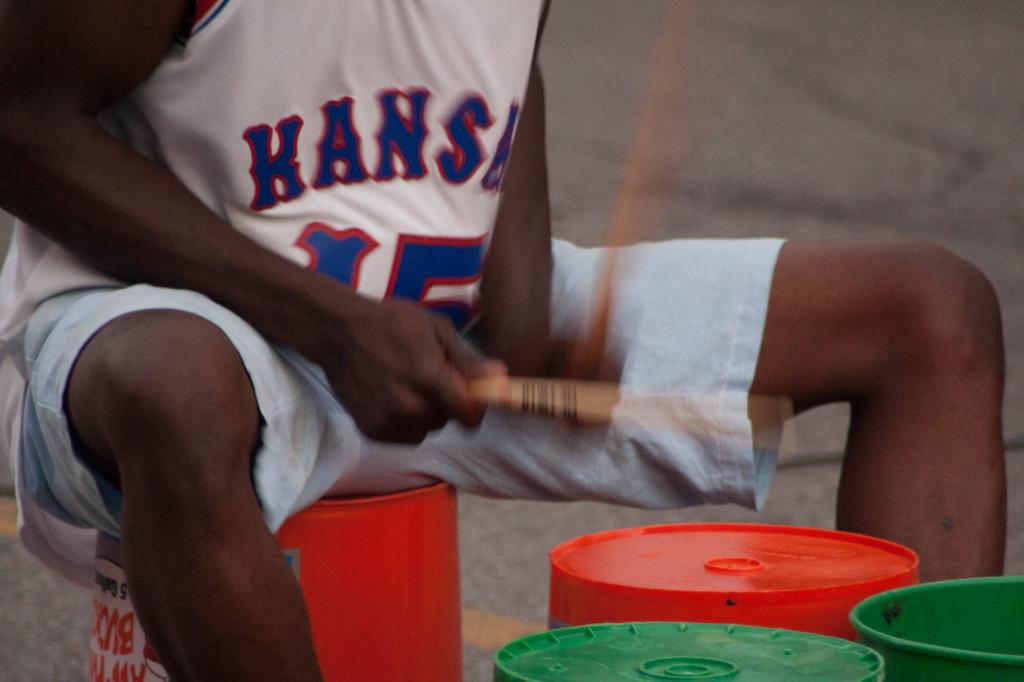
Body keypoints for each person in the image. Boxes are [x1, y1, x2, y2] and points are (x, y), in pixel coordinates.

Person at [0, 1, 1006, 679]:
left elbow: (492, 76)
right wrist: (330, 324)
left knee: (929, 312)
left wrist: (521, 296)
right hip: (188, 318)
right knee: (175, 388)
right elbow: (19, 124)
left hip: (437, 319)